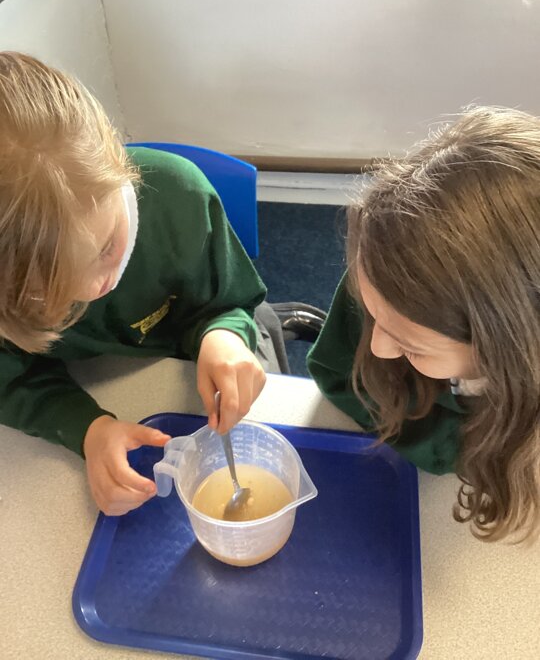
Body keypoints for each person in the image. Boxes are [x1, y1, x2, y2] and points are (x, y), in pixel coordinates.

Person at [0, 51, 274, 517]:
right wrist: (87, 429)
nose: (95, 287)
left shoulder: (178, 198)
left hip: (201, 357)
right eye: (48, 290)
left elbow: (230, 301)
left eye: (107, 247)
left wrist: (225, 335)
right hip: (102, 384)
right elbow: (10, 380)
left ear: (117, 161)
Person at [308, 106, 539, 542]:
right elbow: (338, 376)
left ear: (509, 351)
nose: (377, 347)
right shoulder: (388, 284)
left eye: (411, 346)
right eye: (372, 315)